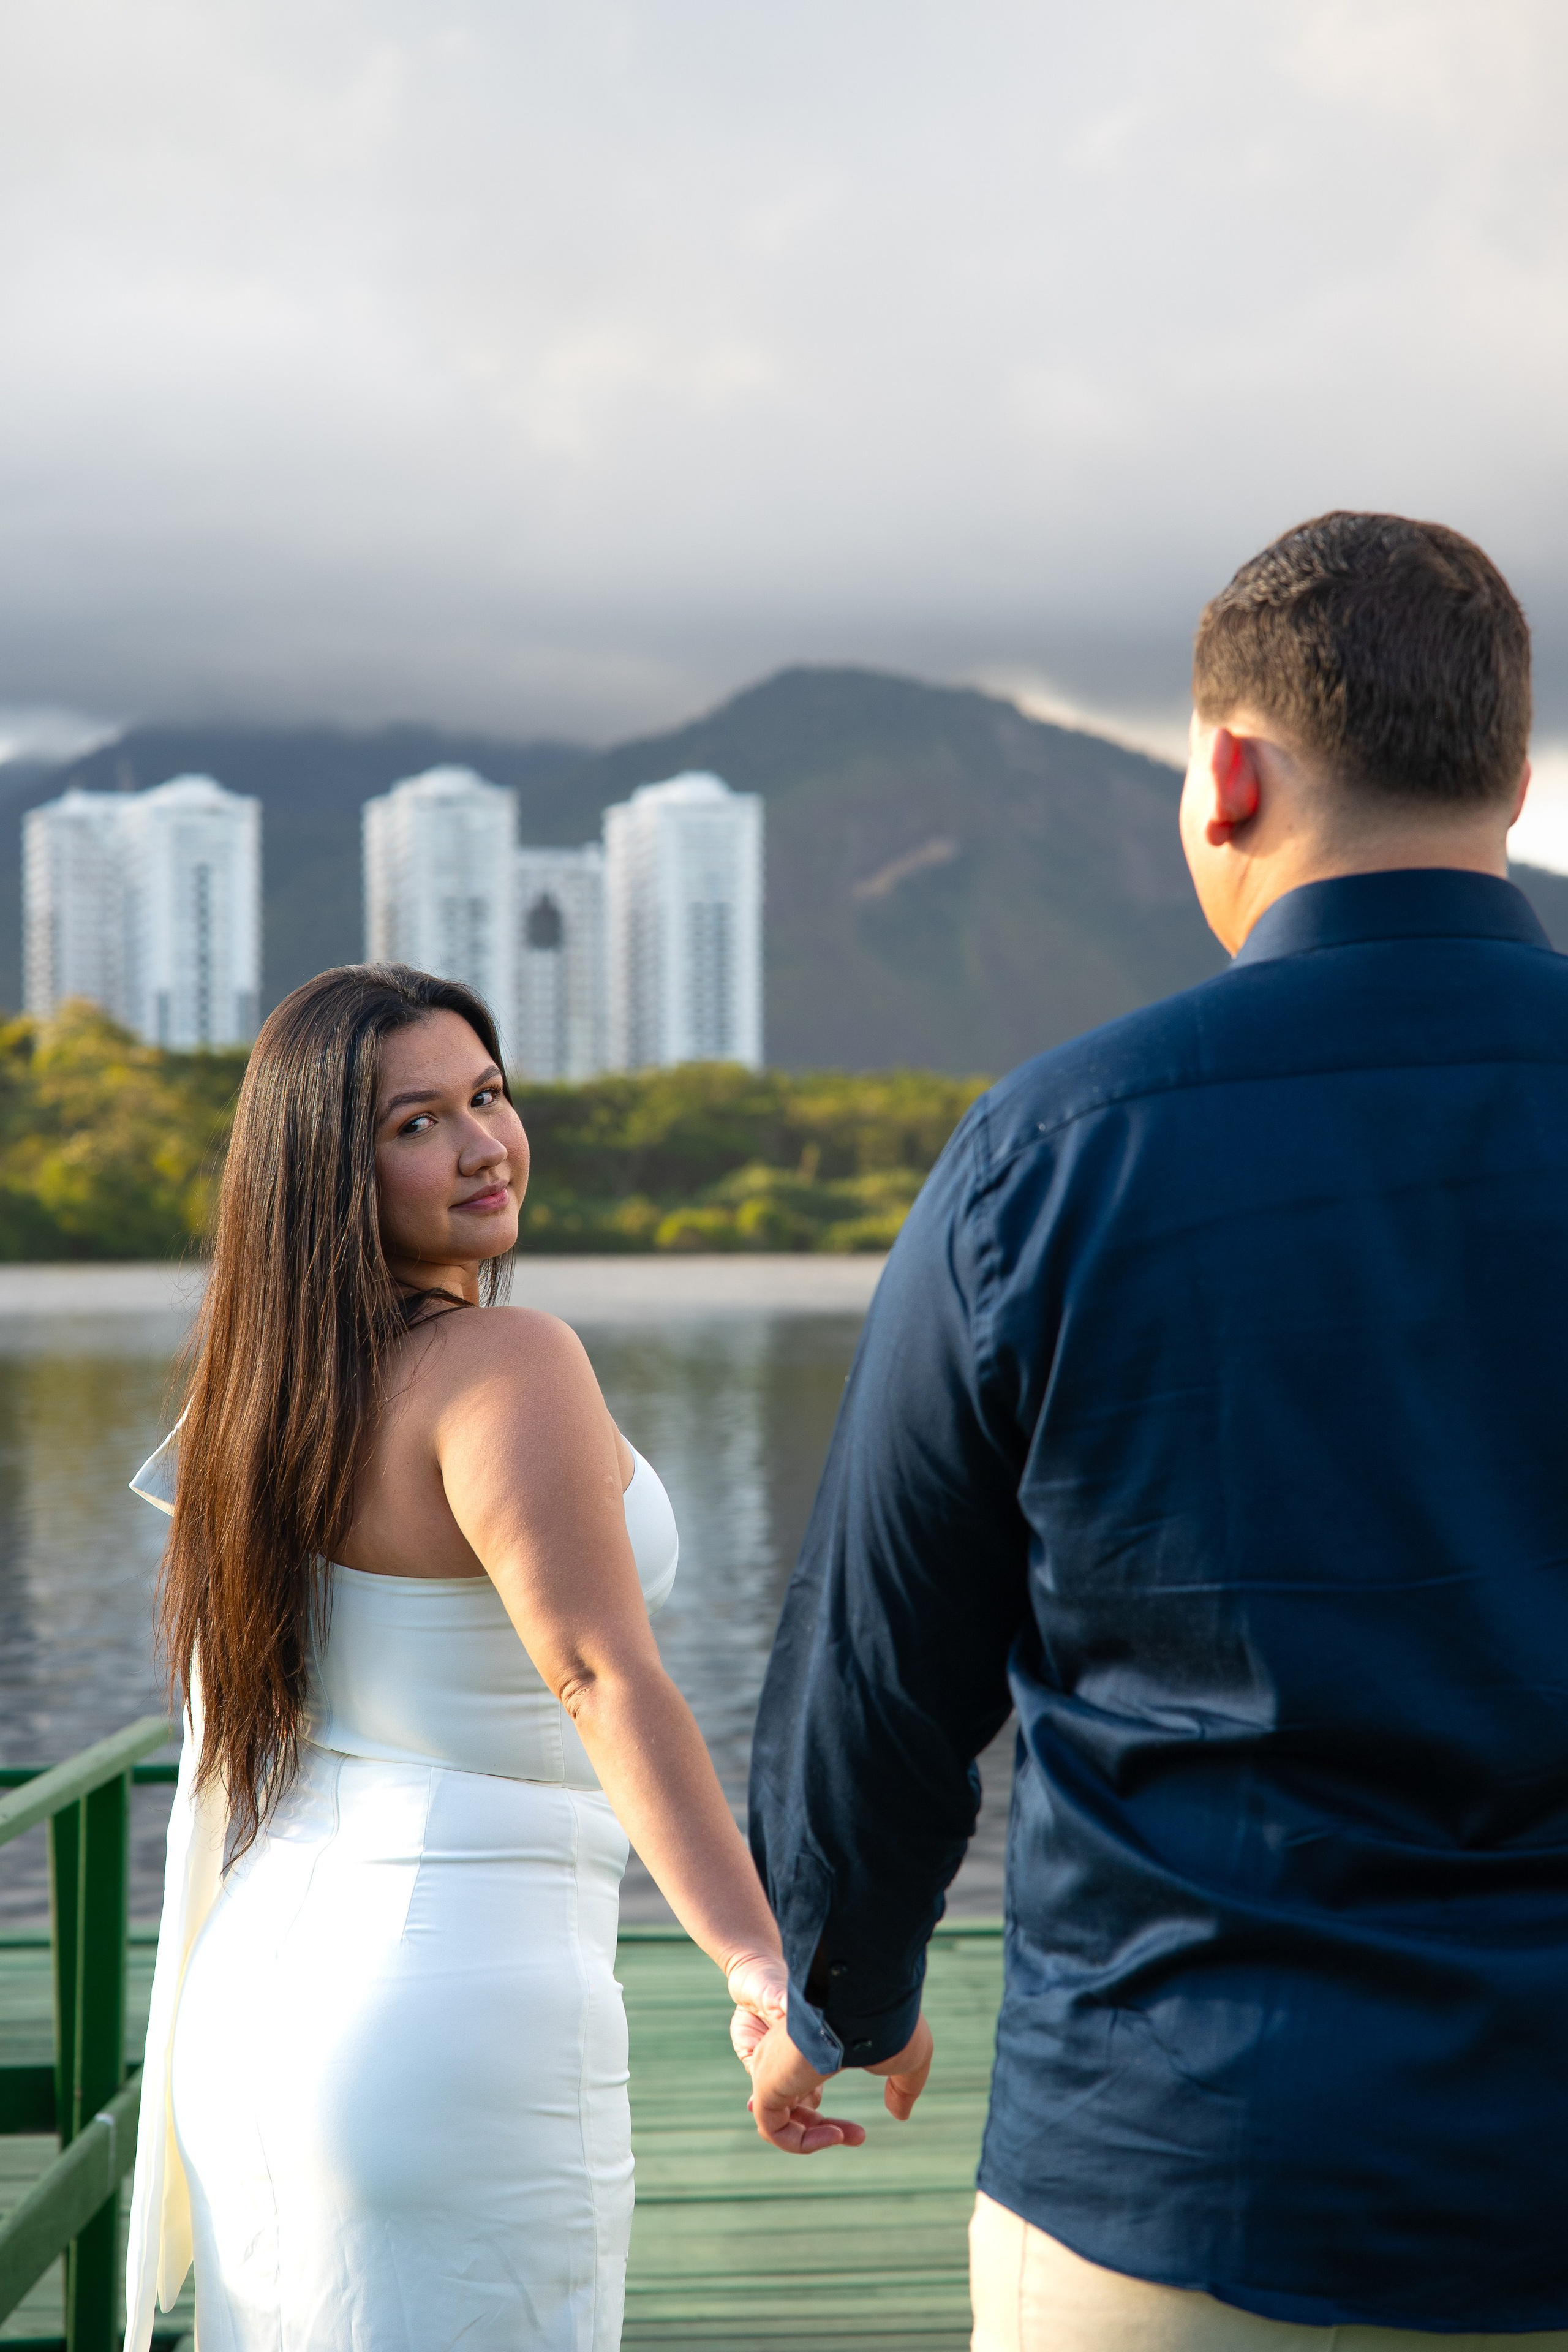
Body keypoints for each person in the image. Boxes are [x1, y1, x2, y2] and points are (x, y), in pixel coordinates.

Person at [743, 513, 1568, 2346]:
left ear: (1228, 774)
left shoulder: (1053, 1152)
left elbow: (877, 1676)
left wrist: (844, 1995)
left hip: (1187, 2167)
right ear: (1512, 778)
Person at [123, 964, 815, 2352]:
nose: (483, 1144)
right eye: (415, 1123)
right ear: (328, 1169)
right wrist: (757, 1960)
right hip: (452, 2018)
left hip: (255, 2010)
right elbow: (598, 1675)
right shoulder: (505, 1362)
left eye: (487, 1095)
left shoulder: (261, 1402)